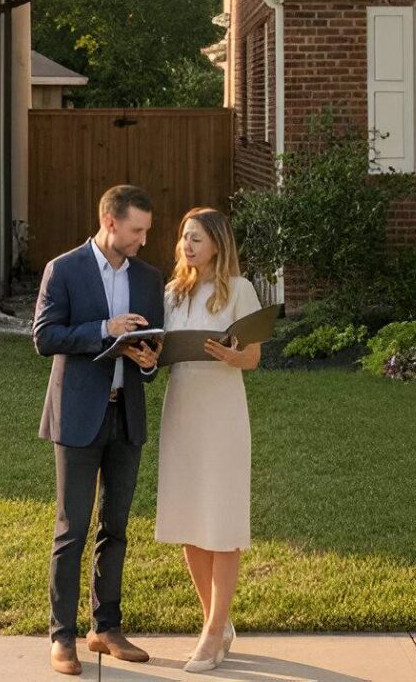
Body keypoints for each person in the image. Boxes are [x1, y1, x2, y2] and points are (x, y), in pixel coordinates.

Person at [32, 183, 166, 676]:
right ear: (110, 222)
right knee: (71, 529)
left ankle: (105, 628)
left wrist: (150, 361)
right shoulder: (63, 270)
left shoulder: (149, 278)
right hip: (78, 415)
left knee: (116, 527)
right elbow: (44, 337)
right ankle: (61, 636)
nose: (143, 241)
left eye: (147, 231)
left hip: (126, 414)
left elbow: (156, 349)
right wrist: (105, 331)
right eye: (137, 230)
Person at [152, 208, 262, 672]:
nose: (187, 246)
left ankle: (214, 632)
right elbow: (160, 351)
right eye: (183, 238)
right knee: (188, 522)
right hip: (182, 410)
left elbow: (253, 358)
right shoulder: (172, 294)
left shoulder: (240, 291)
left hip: (222, 415)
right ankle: (215, 622)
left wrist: (229, 355)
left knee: (221, 524)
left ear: (218, 243)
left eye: (196, 238)